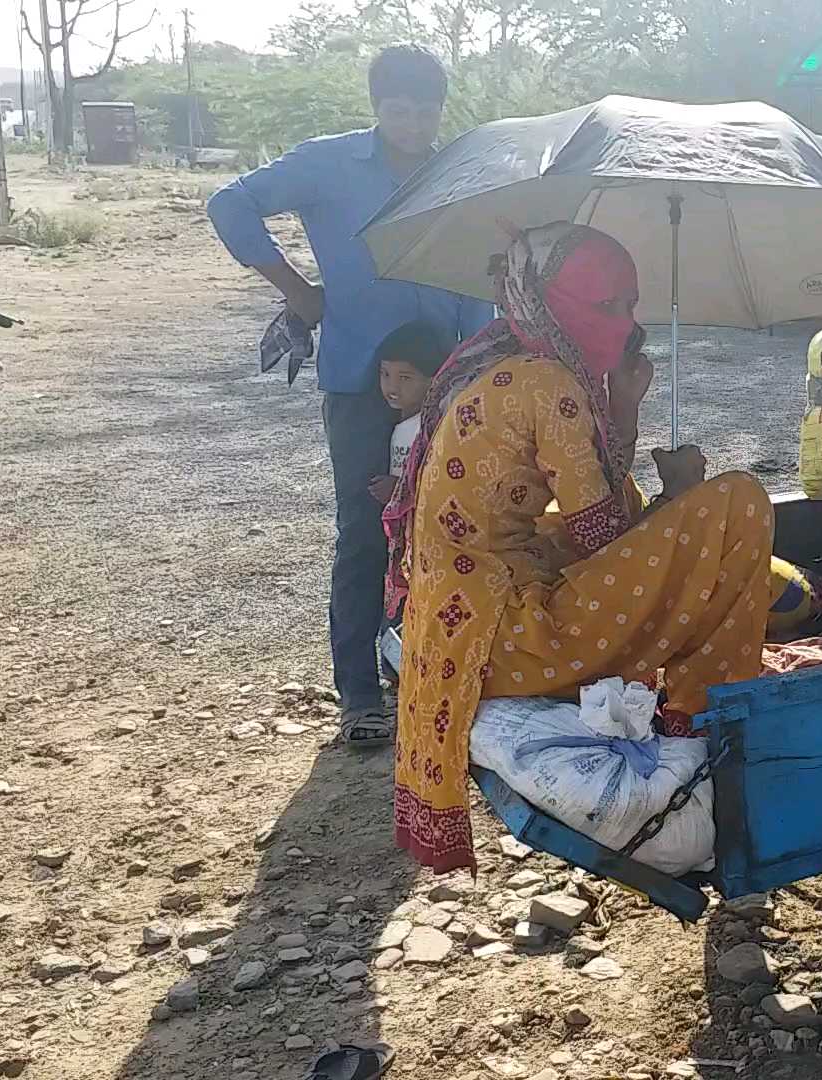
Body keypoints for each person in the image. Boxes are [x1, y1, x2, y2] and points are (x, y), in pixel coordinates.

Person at [384, 222, 776, 873]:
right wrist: (679, 497)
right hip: (510, 636)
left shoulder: (500, 357)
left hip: (466, 625)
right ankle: (691, 718)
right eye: (605, 306)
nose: (624, 324)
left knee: (623, 500)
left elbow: (599, 493)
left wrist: (622, 403)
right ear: (555, 303)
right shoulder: (550, 383)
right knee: (739, 502)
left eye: (629, 306)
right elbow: (605, 538)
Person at [207, 44, 493, 740]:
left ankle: (439, 674)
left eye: (426, 110)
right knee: (367, 532)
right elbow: (230, 204)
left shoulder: (461, 169)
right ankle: (360, 695)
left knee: (453, 528)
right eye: (398, 109)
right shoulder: (326, 163)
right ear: (376, 108)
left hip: (452, 382)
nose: (413, 124)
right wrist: (298, 291)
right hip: (364, 383)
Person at [366, 322, 448, 508]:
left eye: (405, 378)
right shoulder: (400, 423)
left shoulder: (433, 427)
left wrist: (399, 489)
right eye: (385, 374)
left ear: (433, 379)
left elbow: (441, 483)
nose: (392, 387)